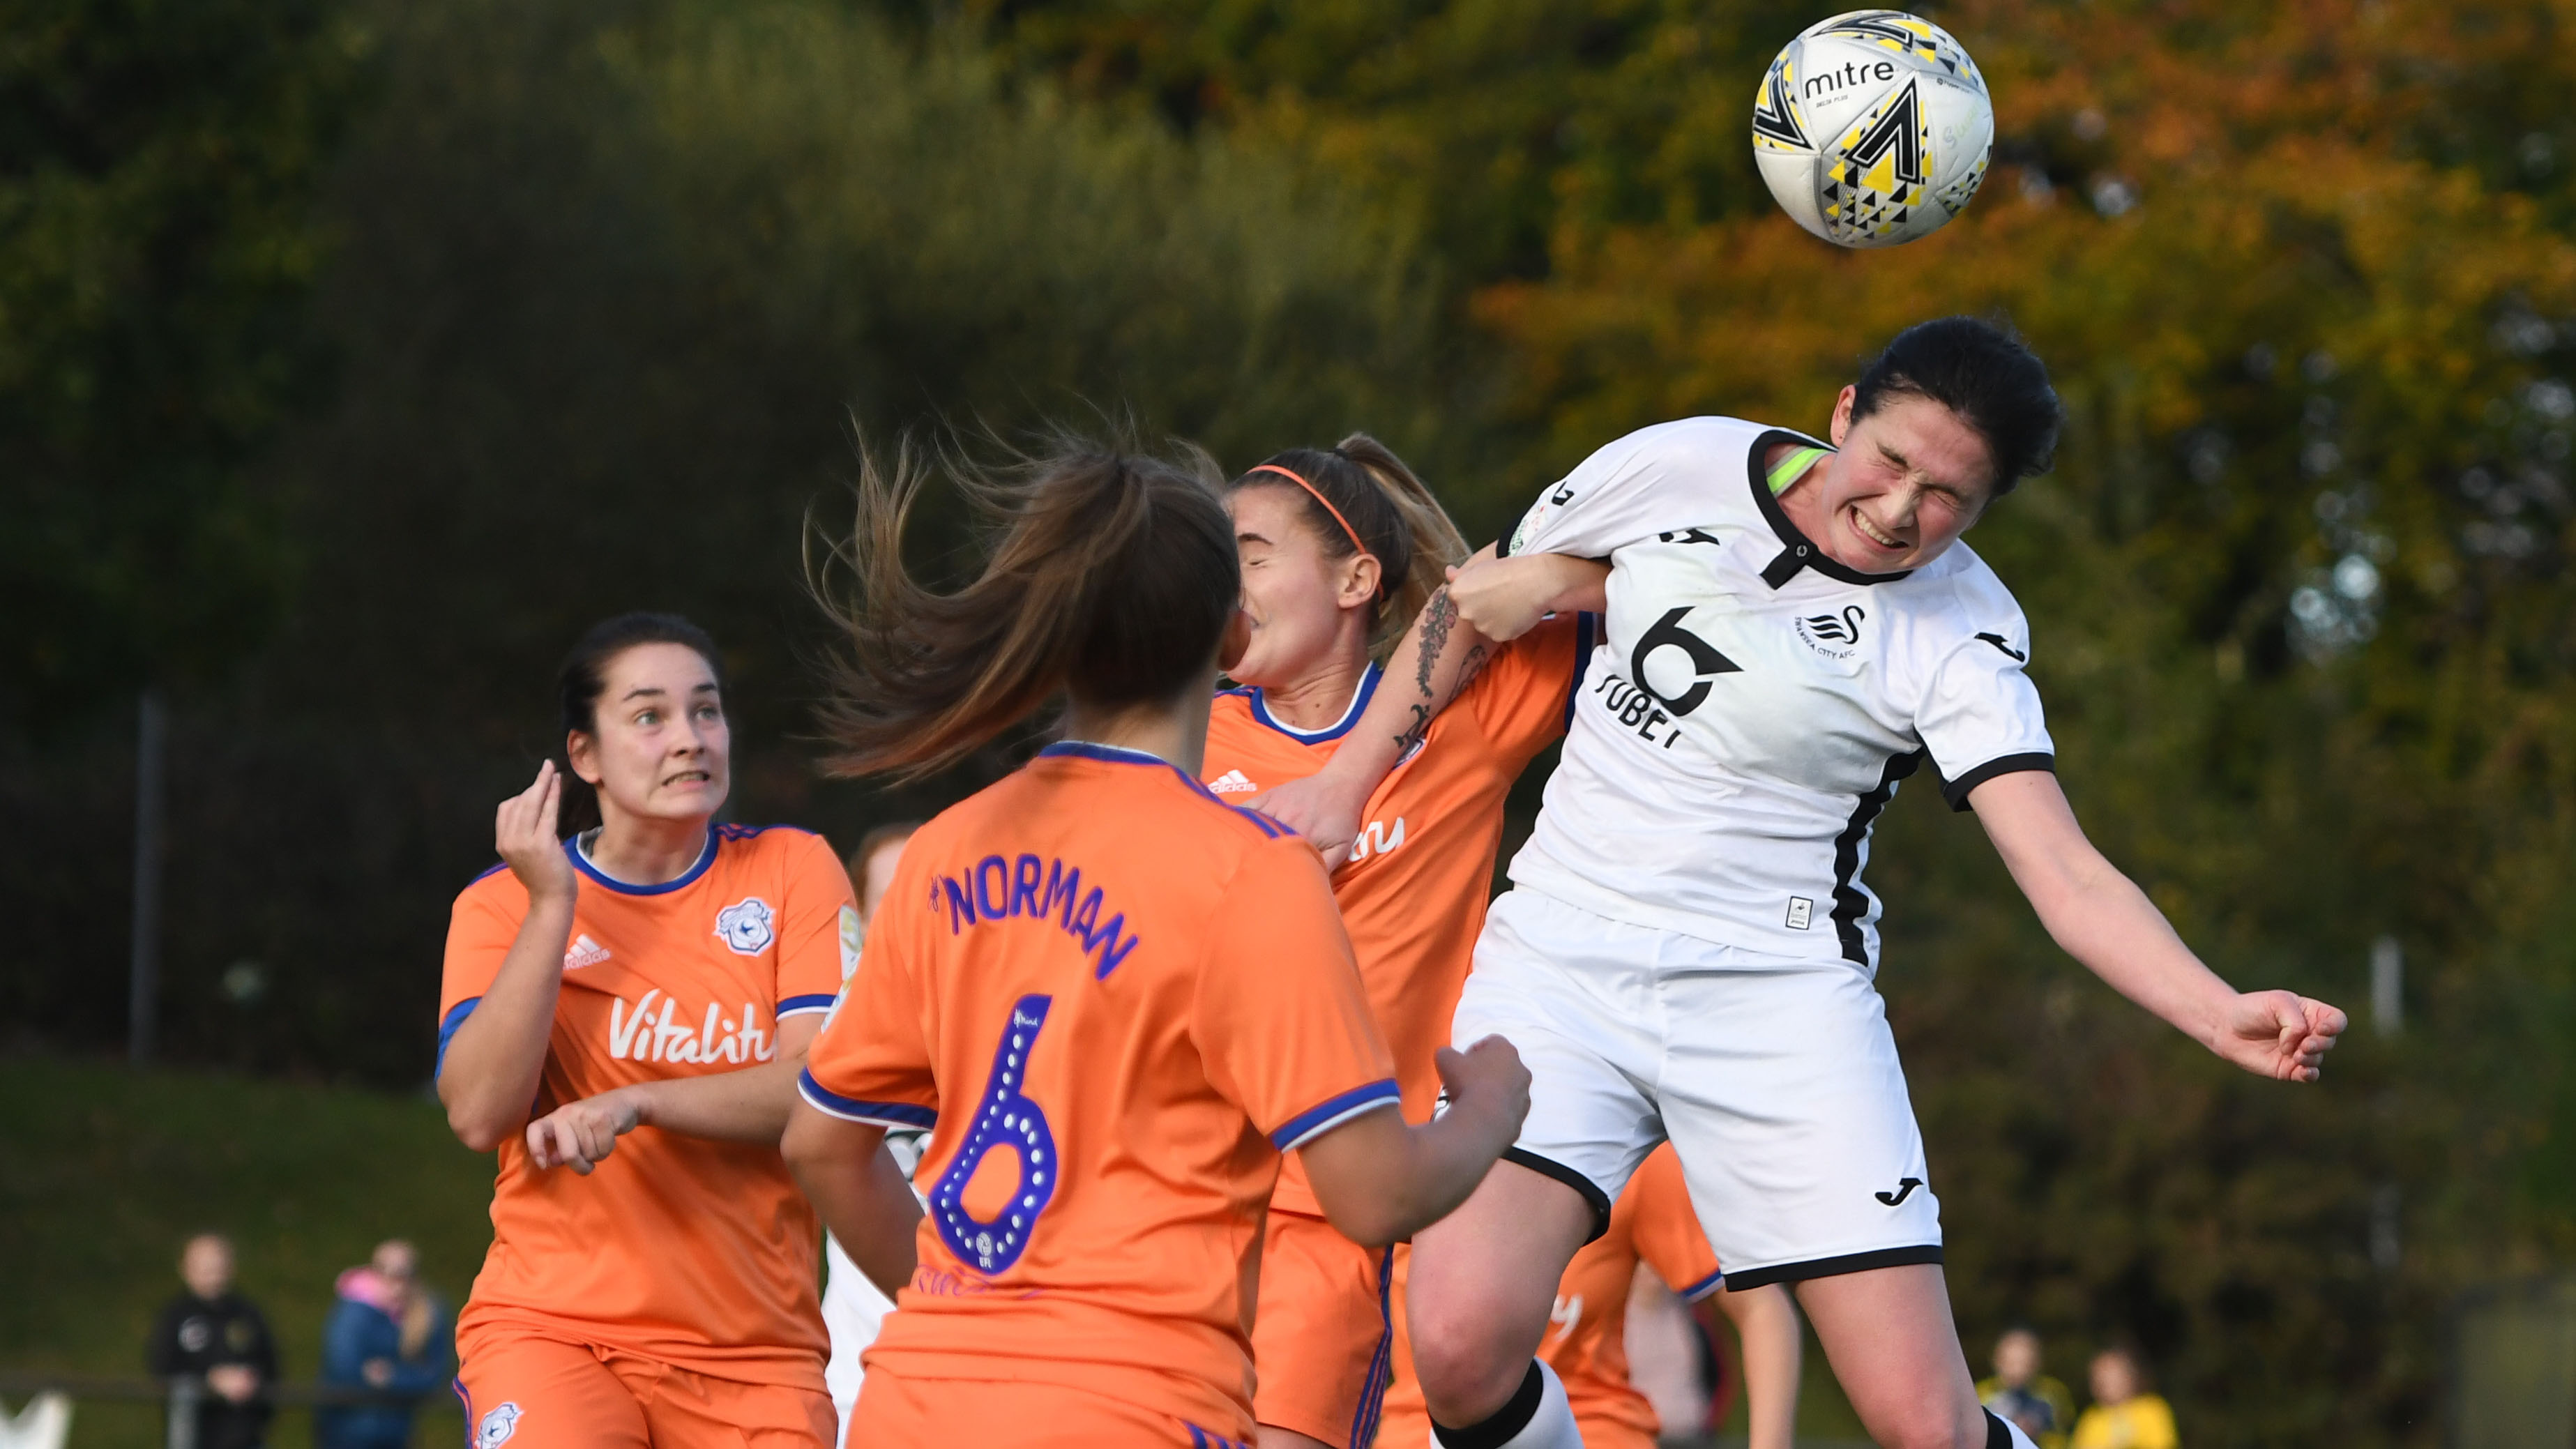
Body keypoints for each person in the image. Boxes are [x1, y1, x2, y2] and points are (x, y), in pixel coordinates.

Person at [1253, 317, 2349, 1449]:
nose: (1894, 510)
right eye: (1888, 461)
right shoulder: (1674, 462)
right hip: (1561, 963)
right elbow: (1470, 606)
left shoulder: (1961, 635)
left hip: (1774, 1002)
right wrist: (1343, 785)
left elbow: (2064, 875)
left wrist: (2212, 1006)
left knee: (1922, 1425)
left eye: (1944, 499)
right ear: (1839, 413)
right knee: (1458, 1342)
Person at [778, 434, 1532, 1447]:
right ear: (1228, 634)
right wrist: (1488, 1106)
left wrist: (973, 1312)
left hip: (922, 1399)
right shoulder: (1250, 864)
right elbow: (1377, 1192)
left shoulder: (943, 850)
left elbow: (821, 1142)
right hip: (1136, 1403)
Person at [1207, 435, 1594, 1449]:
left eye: (1248, 552)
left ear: (1355, 578)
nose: (1220, 581)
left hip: (1349, 1219)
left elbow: (1650, 565)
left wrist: (1537, 572)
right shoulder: (1177, 742)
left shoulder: (1465, 728)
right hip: (1178, 1208)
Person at [437, 612, 856, 1449]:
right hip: (555, 1330)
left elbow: (821, 1085)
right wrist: (553, 903)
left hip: (756, 1351)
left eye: (706, 710)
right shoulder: (502, 903)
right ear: (583, 755)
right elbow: (480, 1114)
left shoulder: (792, 869)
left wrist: (639, 1102)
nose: (689, 738)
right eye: (649, 715)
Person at [1379, 1144, 1802, 1449]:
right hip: (1420, 1429)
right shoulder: (1404, 1153)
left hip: (1593, 1429)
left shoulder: (1627, 1153)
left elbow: (1761, 1306)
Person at [819, 820, 922, 1438]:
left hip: (994, 1386)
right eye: (896, 901)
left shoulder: (1019, 1045)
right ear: (858, 922)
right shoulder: (833, 1053)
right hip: (858, 1396)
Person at [318, 1240, 453, 1449]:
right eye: (388, 1272)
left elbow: (435, 1374)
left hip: (397, 1433)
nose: (397, 1282)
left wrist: (392, 1377)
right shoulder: (353, 1313)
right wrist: (406, 1378)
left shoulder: (426, 1314)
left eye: (405, 1274)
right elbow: (344, 1369)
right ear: (374, 1271)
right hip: (346, 1432)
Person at [146, 1234, 276, 1449]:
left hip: (245, 1437)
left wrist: (251, 1380)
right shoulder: (175, 1316)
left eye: (218, 1266)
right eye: (204, 1267)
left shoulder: (248, 1314)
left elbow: (271, 1366)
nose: (213, 1276)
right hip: (192, 1437)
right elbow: (161, 1366)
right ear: (185, 1268)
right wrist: (209, 1379)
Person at [1978, 1327, 2073, 1449]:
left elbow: (2065, 1434)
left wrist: (2038, 1432)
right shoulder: (1982, 1395)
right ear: (1997, 1361)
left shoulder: (2053, 1394)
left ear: (2038, 1362)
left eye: (2026, 1363)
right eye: (2011, 1363)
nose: (2018, 1371)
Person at [2069, 1346, 2176, 1449]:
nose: (2103, 1383)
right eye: (2098, 1377)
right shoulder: (2089, 1420)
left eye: (2110, 1376)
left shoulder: (2152, 1409)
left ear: (2129, 1377)